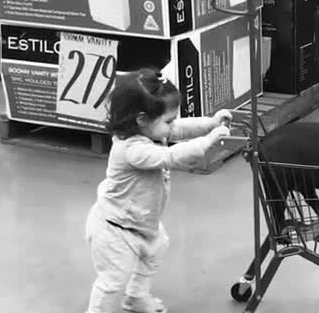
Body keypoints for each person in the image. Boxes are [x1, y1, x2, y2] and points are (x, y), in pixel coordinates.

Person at [84, 68, 232, 313]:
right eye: (168, 120)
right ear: (141, 119)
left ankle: (135, 297)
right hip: (114, 230)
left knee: (157, 248)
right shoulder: (131, 149)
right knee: (112, 281)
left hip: (141, 222)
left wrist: (210, 123)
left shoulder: (150, 131)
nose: (172, 125)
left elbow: (180, 128)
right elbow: (171, 157)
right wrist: (209, 141)